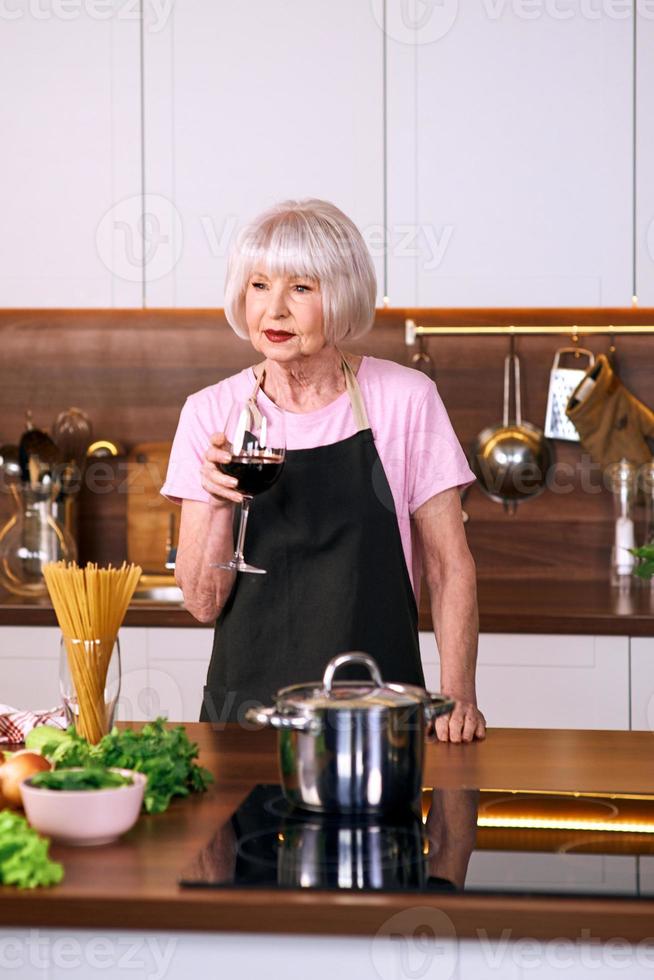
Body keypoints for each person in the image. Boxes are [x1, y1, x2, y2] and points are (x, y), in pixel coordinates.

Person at [161, 198, 485, 742]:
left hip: (380, 717)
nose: (274, 310)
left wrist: (458, 699)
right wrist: (217, 501)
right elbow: (201, 602)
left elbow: (451, 568)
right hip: (247, 722)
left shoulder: (405, 400)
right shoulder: (209, 412)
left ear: (343, 296)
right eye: (259, 285)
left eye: (301, 288)